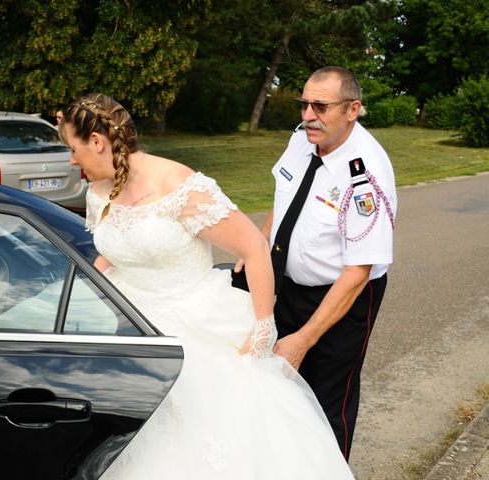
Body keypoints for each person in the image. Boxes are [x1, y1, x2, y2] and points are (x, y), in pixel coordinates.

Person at [59, 92, 355, 478]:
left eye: (72, 148)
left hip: (196, 325)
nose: (70, 159)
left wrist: (264, 323)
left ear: (96, 142)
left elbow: (254, 246)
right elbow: (116, 251)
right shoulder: (99, 191)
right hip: (130, 322)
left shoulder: (179, 185)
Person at [242, 66, 397, 460]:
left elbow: (358, 272)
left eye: (320, 106)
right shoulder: (302, 139)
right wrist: (258, 249)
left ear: (353, 109)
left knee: (326, 402)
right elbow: (284, 202)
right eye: (304, 103)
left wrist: (303, 340)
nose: (308, 114)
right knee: (275, 391)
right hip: (287, 283)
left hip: (341, 299)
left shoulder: (366, 177)